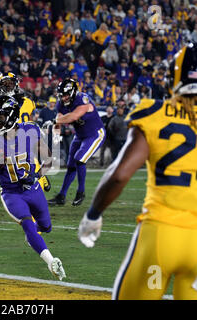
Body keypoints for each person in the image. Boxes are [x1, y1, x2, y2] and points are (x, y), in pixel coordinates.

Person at [77, 42, 197, 300]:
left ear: (175, 75)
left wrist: (93, 213)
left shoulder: (155, 112)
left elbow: (120, 174)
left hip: (161, 236)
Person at [0, 95, 66, 280]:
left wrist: (38, 175)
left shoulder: (30, 129)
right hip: (11, 193)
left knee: (46, 226)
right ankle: (51, 261)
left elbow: (48, 159)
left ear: (11, 116)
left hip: (33, 188)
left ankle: (34, 238)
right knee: (27, 224)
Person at [45, 78, 105, 206]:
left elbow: (73, 116)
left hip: (95, 134)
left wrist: (56, 121)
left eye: (66, 95)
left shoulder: (82, 99)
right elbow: (59, 118)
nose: (64, 98)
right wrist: (56, 131)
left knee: (79, 159)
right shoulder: (60, 103)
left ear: (72, 92)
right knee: (71, 165)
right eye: (62, 95)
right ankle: (61, 196)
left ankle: (81, 192)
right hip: (79, 136)